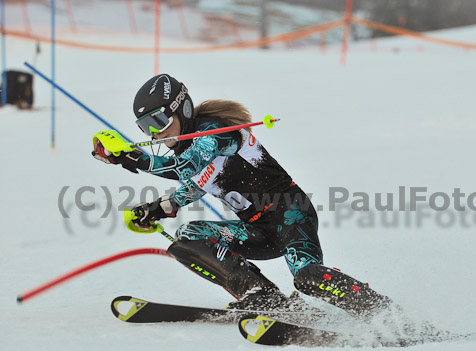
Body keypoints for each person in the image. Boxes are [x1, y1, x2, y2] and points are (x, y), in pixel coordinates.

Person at [91, 74, 392, 317]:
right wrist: (156, 209)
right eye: (146, 128)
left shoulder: (215, 132)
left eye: (158, 122)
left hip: (290, 216)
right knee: (188, 237)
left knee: (308, 278)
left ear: (181, 109)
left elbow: (187, 166)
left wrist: (137, 158)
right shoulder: (187, 149)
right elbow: (195, 184)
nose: (155, 134)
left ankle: (383, 312)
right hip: (257, 230)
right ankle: (263, 296)